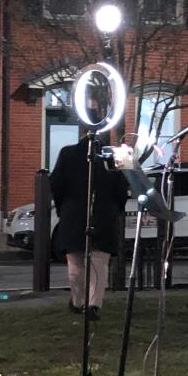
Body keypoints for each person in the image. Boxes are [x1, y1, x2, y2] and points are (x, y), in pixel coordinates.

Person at [50, 135, 129, 320]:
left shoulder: (68, 153)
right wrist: (116, 207)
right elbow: (123, 188)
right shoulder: (117, 155)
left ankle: (77, 301)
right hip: (104, 214)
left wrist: (64, 208)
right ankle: (94, 304)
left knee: (75, 263)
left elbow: (56, 184)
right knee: (99, 262)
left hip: (73, 214)